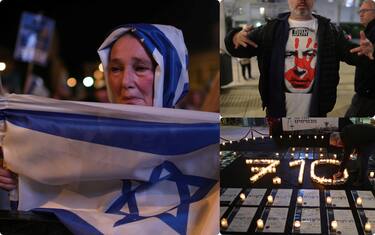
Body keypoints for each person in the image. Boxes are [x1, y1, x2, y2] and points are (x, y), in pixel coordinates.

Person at [0, 23, 189, 193]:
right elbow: (70, 190)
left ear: (170, 74)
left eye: (140, 68)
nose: (125, 82)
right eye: (115, 69)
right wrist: (26, 178)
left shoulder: (198, 144)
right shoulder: (87, 138)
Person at [225, 0, 375, 117]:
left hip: (318, 114)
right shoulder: (271, 30)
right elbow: (238, 49)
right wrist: (235, 37)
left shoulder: (330, 32)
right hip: (276, 115)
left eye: (310, 54)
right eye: (290, 55)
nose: (300, 68)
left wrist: (371, 52)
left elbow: (358, 56)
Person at [346, 0, 375, 117]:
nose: (360, 14)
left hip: (368, 95)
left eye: (364, 11)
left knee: (348, 126)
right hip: (367, 92)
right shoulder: (369, 30)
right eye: (360, 11)